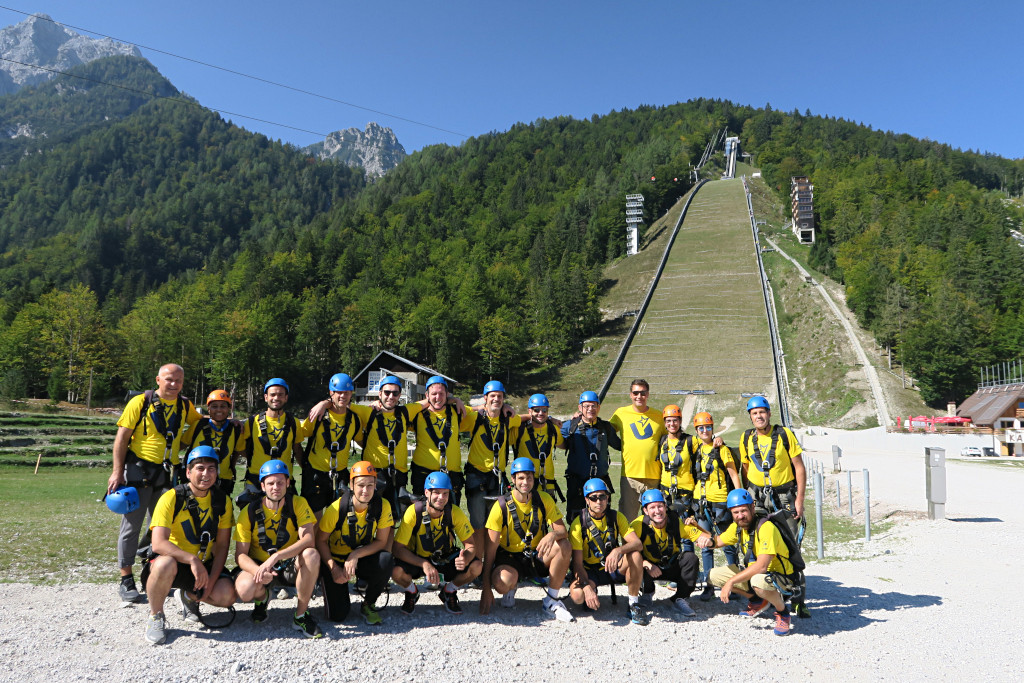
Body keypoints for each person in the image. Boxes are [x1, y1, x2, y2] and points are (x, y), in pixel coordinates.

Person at [108, 363, 202, 603]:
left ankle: (151, 573)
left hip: (168, 474)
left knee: (160, 529)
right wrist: (117, 472)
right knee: (131, 527)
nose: (174, 384)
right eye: (169, 379)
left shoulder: (184, 405)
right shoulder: (140, 402)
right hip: (138, 471)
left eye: (179, 380)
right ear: (158, 379)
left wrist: (230, 422)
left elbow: (201, 422)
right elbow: (121, 439)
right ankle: (126, 577)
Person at [142, 446, 236, 644]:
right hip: (175, 561)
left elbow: (222, 547)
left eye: (211, 469)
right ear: (188, 472)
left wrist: (211, 580)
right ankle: (156, 616)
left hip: (204, 564)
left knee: (227, 596)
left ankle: (188, 597)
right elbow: (158, 543)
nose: (206, 474)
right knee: (164, 564)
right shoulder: (171, 497)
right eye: (200, 468)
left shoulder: (222, 501)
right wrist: (191, 559)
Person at [233, 459, 322, 638]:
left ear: (288, 483)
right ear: (263, 486)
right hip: (260, 565)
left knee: (311, 555)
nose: (276, 487)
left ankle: (301, 615)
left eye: (281, 482)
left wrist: (276, 557)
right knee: (244, 590)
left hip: (288, 564)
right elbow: (240, 555)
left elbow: (309, 539)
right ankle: (261, 600)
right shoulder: (249, 511)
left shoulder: (297, 503)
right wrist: (258, 570)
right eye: (271, 483)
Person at [739, 396, 809, 617]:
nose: (759, 416)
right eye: (754, 413)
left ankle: (798, 599)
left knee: (791, 547)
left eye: (762, 412)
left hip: (783, 497)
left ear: (769, 413)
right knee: (754, 545)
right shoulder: (746, 438)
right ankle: (764, 595)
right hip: (757, 498)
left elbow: (799, 467)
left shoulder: (784, 435)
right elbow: (746, 468)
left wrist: (800, 500)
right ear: (750, 417)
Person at [479, 458, 574, 622]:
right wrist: (486, 588)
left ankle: (551, 600)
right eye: (521, 478)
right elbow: (490, 551)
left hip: (536, 554)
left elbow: (562, 531)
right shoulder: (500, 506)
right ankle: (511, 586)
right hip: (509, 557)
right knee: (502, 582)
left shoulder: (543, 499)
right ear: (513, 479)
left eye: (529, 477)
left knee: (564, 545)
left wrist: (552, 535)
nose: (525, 482)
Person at [702, 489, 799, 636]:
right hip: (758, 575)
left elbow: (762, 566)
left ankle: (783, 612)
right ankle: (758, 600)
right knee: (713, 575)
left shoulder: (766, 527)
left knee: (757, 581)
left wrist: (731, 582)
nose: (740, 516)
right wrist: (701, 535)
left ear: (752, 507)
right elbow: (717, 541)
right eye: (735, 512)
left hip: (781, 576)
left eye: (743, 511)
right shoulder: (737, 527)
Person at [316, 461, 395, 625]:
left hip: (361, 557)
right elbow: (321, 541)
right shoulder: (337, 508)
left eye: (370, 485)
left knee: (386, 559)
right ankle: (337, 590)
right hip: (335, 560)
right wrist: (333, 568)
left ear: (375, 485)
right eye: (360, 485)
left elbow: (381, 541)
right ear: (351, 485)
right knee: (338, 616)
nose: (365, 490)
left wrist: (355, 555)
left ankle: (369, 604)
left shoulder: (382, 506)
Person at [391, 471, 481, 615]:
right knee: (396, 571)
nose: (441, 498)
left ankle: (449, 591)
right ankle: (412, 592)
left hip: (445, 558)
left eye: (445, 493)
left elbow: (471, 544)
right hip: (418, 558)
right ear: (427, 492)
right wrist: (424, 564)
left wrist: (466, 559)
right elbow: (397, 549)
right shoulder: (414, 512)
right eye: (436, 493)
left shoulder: (454, 512)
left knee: (476, 566)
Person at [567, 479, 646, 625]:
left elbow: (637, 543)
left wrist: (618, 550)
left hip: (613, 567)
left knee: (635, 555)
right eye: (594, 497)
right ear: (587, 500)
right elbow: (577, 564)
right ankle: (592, 591)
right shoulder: (578, 524)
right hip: (590, 571)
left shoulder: (616, 517)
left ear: (608, 498)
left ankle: (633, 604)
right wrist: (586, 587)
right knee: (578, 596)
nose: (599, 501)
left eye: (602, 496)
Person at [464, 380, 521, 556]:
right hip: (477, 477)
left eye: (500, 397)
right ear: (485, 398)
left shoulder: (508, 420)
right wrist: (479, 407)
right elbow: (455, 409)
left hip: (497, 479)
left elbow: (526, 419)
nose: (496, 399)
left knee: (495, 523)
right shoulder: (475, 418)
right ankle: (477, 561)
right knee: (478, 523)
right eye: (492, 396)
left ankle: (491, 561)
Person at [689, 411, 741, 601]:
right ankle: (709, 585)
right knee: (705, 546)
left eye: (708, 427)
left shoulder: (722, 449)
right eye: (701, 428)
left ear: (713, 428)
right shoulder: (696, 450)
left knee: (728, 544)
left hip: (721, 503)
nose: (705, 431)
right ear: (696, 430)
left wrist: (739, 499)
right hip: (702, 504)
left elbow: (733, 474)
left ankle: (735, 583)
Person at [631, 489, 705, 618]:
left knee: (690, 558)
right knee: (635, 559)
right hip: (649, 569)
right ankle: (647, 593)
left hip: (671, 565)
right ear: (645, 511)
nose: (657, 511)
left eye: (660, 506)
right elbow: (627, 552)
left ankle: (680, 598)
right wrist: (646, 563)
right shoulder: (638, 525)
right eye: (652, 507)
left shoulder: (676, 522)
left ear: (666, 507)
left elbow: (708, 539)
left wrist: (697, 527)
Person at [301, 373, 368, 515]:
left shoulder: (354, 420)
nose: (343, 396)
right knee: (315, 522)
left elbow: (364, 443)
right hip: (316, 475)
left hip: (340, 476)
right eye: (339, 392)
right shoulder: (318, 415)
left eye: (347, 393)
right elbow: (296, 438)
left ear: (351, 394)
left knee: (337, 524)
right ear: (331, 393)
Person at [358, 375, 423, 521]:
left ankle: (389, 545)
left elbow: (432, 400)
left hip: (398, 475)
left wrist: (455, 400)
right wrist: (325, 403)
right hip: (374, 474)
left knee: (394, 518)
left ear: (400, 395)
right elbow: (342, 403)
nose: (390, 396)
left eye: (395, 393)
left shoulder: (405, 412)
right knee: (370, 517)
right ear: (379, 393)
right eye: (387, 392)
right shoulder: (368, 412)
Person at [238, 378, 302, 506]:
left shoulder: (293, 422)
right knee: (252, 523)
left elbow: (297, 449)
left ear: (286, 398)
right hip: (256, 481)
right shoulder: (252, 423)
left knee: (288, 523)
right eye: (272, 394)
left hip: (283, 481)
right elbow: (240, 449)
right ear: (266, 397)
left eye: (280, 394)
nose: (276, 398)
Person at [610, 379, 666, 521]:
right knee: (628, 519)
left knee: (654, 518)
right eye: (636, 393)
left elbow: (673, 436)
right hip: (630, 476)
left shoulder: (659, 416)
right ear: (630, 394)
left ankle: (651, 544)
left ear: (648, 394)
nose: (639, 396)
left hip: (653, 476)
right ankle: (629, 544)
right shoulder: (620, 414)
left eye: (642, 393)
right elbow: (606, 432)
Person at [561, 391, 621, 523]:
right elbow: (550, 432)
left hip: (600, 482)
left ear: (599, 407)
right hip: (576, 483)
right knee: (575, 521)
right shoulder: (570, 426)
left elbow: (621, 446)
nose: (590, 409)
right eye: (587, 406)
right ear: (580, 408)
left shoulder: (606, 427)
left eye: (594, 406)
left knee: (603, 521)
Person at [409, 376, 467, 502]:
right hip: (423, 475)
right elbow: (395, 411)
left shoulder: (457, 411)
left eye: (441, 394)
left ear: (447, 394)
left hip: (451, 475)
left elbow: (485, 411)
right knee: (422, 515)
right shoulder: (416, 414)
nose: (438, 397)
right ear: (426, 395)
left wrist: (507, 408)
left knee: (450, 517)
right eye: (433, 394)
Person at [183, 390, 243, 497]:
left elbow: (240, 451)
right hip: (198, 479)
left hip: (224, 480)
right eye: (214, 406)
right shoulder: (198, 426)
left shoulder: (235, 429)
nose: (219, 410)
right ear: (208, 409)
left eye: (223, 406)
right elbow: (180, 445)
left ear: (229, 408)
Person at [511, 393, 564, 503]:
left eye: (544, 410)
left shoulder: (553, 429)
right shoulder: (519, 429)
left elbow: (564, 444)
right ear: (530, 411)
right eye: (536, 410)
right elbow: (505, 422)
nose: (541, 413)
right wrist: (526, 417)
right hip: (525, 484)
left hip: (547, 485)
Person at [656, 404, 696, 517]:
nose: (672, 424)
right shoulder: (662, 441)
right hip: (665, 492)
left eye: (675, 420)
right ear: (664, 423)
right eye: (668, 421)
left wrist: (718, 440)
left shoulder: (690, 440)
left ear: (680, 421)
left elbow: (707, 444)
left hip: (685, 493)